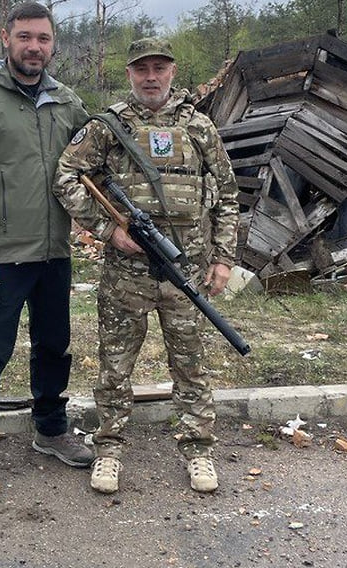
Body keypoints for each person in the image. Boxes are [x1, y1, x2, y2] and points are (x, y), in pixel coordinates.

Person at [54, 37, 239, 494]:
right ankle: (109, 450)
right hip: (126, 276)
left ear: (173, 71)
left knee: (191, 366)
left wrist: (224, 258)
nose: (151, 77)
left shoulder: (200, 127)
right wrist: (108, 230)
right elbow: (65, 177)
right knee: (114, 369)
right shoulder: (108, 126)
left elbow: (228, 196)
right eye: (142, 69)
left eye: (159, 68)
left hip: (188, 272)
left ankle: (198, 450)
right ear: (130, 74)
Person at [0, 0, 94, 502]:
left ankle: (50, 428)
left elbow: (92, 169)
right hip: (0, 256)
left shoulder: (68, 103)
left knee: (54, 347)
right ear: (6, 38)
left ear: (53, 45)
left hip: (54, 252)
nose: (34, 47)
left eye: (43, 39)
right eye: (25, 36)